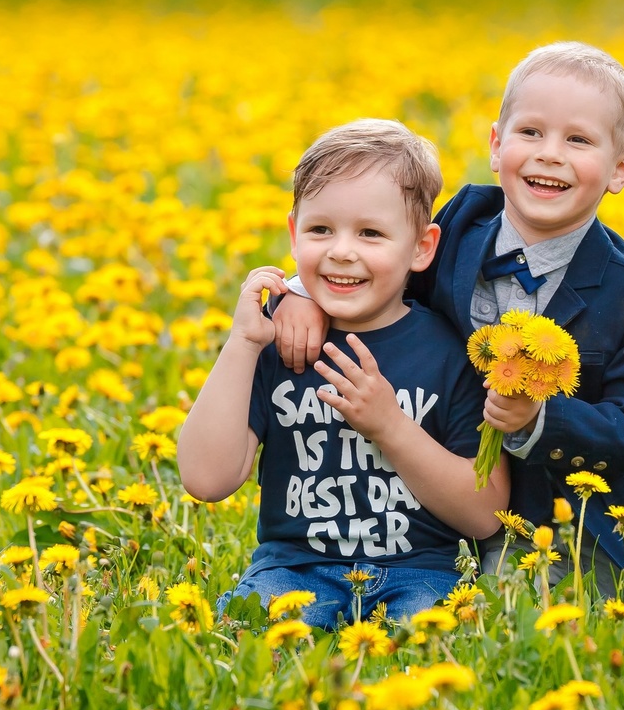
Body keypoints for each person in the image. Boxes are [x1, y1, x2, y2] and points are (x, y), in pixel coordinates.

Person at [272, 43, 624, 599]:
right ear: (495, 145)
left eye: (578, 140)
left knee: (553, 618)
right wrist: (301, 295)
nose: (549, 155)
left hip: (573, 519)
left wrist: (538, 419)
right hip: (441, 507)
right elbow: (379, 265)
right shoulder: (461, 224)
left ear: (619, 169)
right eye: (530, 132)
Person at [178, 119, 508, 629]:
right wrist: (242, 344)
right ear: (293, 233)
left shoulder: (451, 349)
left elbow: (484, 513)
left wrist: (390, 425)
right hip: (293, 570)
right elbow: (206, 479)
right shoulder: (275, 342)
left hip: (422, 572)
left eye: (371, 233)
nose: (342, 251)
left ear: (422, 246)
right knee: (252, 633)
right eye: (320, 229)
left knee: (433, 640)